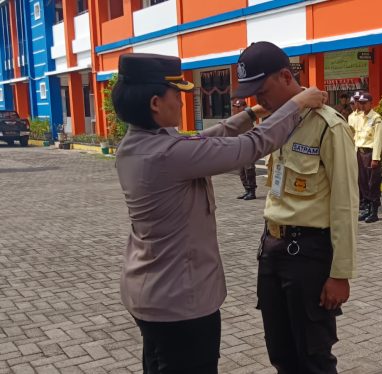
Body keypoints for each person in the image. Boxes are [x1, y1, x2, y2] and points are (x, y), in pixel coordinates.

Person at [113, 52, 327, 373]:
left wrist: (253, 112)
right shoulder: (165, 154)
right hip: (180, 302)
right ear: (156, 103)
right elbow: (251, 146)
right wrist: (296, 105)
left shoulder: (141, 144)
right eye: (177, 95)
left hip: (151, 294)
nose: (183, 103)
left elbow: (202, 141)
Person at [233, 41, 358, 370]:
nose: (257, 99)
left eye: (261, 90)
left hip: (308, 256)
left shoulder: (329, 126)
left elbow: (345, 204)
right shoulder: (276, 124)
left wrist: (340, 274)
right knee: (281, 353)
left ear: (286, 76)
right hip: (272, 249)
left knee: (313, 356)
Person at [355, 93, 382, 223]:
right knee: (362, 182)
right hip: (360, 153)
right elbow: (356, 136)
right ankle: (366, 208)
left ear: (370, 103)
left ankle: (374, 210)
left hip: (370, 153)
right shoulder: (359, 118)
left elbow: (378, 139)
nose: (362, 105)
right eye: (360, 103)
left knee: (372, 183)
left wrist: (376, 158)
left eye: (364, 103)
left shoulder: (376, 118)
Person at [231, 98, 258, 200]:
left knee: (249, 169)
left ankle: (252, 191)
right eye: (235, 107)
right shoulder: (236, 118)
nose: (236, 109)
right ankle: (246, 190)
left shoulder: (247, 118)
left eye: (238, 107)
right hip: (239, 147)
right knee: (241, 171)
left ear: (244, 107)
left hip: (248, 147)